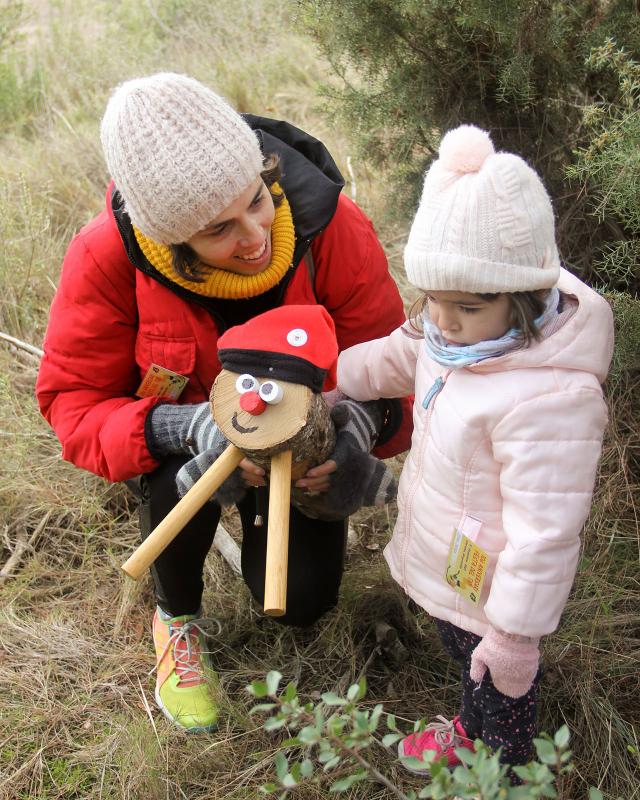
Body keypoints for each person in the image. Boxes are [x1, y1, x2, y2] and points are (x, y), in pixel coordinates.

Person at [36, 72, 412, 733]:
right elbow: (73, 402)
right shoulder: (104, 257)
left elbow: (398, 370)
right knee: (169, 465)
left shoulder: (331, 227)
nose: (255, 236)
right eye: (219, 229)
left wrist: (357, 428)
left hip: (301, 458)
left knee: (298, 605)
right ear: (167, 241)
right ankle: (175, 616)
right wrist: (188, 427)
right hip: (191, 458)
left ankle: (274, 524)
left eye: (257, 201)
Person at [336, 124, 614, 774]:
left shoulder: (550, 398)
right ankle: (472, 725)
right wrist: (336, 377)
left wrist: (517, 635)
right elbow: (405, 353)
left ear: (521, 295)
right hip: (449, 560)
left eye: (461, 305)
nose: (441, 319)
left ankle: (505, 766)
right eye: (431, 299)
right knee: (465, 656)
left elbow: (546, 530)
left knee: (498, 673)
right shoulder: (459, 335)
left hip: (493, 586)